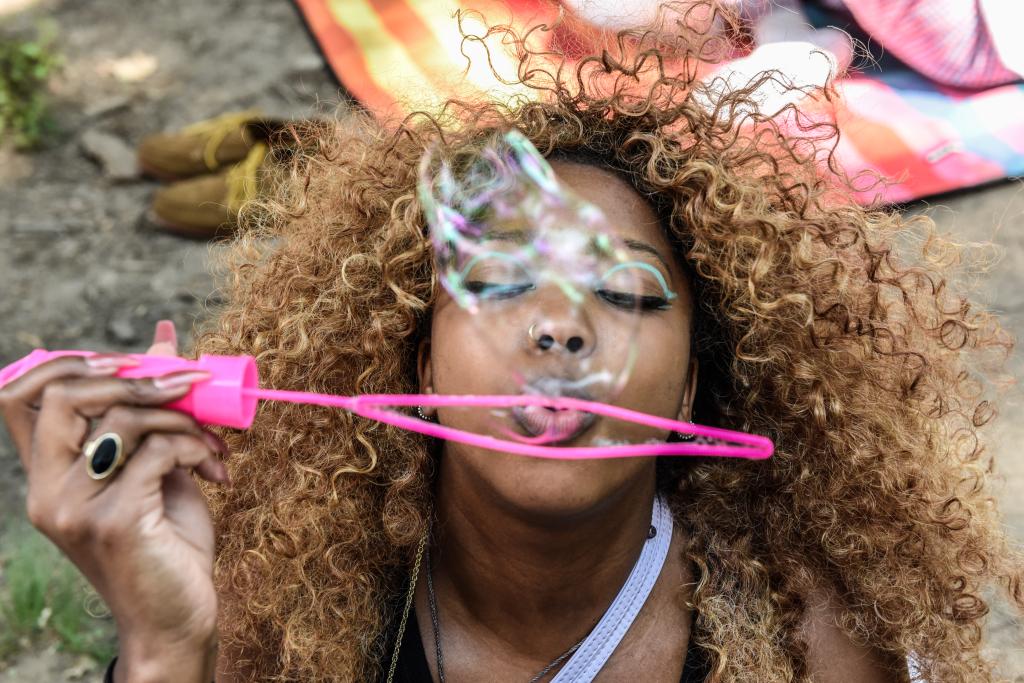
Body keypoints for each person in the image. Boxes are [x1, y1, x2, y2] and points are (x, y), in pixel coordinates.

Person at [2, 6, 1020, 682]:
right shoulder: (279, 610)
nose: (560, 323)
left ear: (692, 388)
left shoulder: (814, 644)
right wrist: (165, 644)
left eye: (624, 292)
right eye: (492, 277)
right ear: (419, 360)